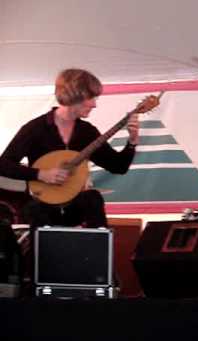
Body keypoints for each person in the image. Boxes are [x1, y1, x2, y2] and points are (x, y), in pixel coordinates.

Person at [0, 68, 141, 286]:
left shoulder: (87, 132)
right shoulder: (36, 129)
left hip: (73, 203)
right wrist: (40, 174)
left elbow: (118, 166)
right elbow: (4, 164)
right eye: (91, 97)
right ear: (74, 95)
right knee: (36, 211)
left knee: (93, 199)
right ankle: (41, 281)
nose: (94, 104)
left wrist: (132, 141)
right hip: (41, 204)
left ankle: (101, 274)